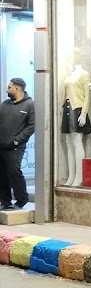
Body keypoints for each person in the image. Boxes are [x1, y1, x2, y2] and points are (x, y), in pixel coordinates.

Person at [0, 77, 35, 210]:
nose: (7, 89)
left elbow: (31, 126)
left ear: (17, 88)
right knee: (2, 174)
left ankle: (21, 200)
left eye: (9, 87)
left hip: (15, 147)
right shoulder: (5, 104)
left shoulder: (29, 105)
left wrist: (17, 140)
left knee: (14, 172)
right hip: (1, 145)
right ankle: (5, 202)